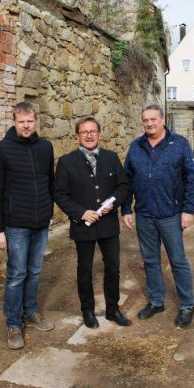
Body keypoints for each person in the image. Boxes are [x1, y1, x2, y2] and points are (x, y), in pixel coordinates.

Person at [122, 104, 194, 328]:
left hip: (170, 214)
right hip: (144, 214)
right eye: (145, 120)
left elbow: (192, 177)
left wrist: (188, 210)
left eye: (153, 119)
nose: (149, 124)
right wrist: (126, 209)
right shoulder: (136, 146)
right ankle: (157, 301)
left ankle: (187, 305)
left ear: (162, 120)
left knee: (178, 260)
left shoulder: (179, 144)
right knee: (150, 260)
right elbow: (126, 180)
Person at [0, 101, 56, 350]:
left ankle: (30, 312)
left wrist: (49, 212)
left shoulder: (45, 147)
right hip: (15, 225)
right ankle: (14, 324)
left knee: (35, 271)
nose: (26, 126)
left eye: (30, 121)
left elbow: (50, 182)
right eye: (21, 122)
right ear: (14, 122)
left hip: (40, 223)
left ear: (36, 121)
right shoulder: (2, 149)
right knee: (17, 274)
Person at [54, 117, 132, 329]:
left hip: (108, 224)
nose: (89, 135)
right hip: (83, 226)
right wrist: (81, 213)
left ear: (99, 133)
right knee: (85, 270)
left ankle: (113, 310)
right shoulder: (66, 162)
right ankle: (87, 311)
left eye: (93, 131)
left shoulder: (111, 158)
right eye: (84, 132)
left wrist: (113, 202)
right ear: (77, 136)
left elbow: (123, 186)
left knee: (113, 269)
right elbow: (60, 194)